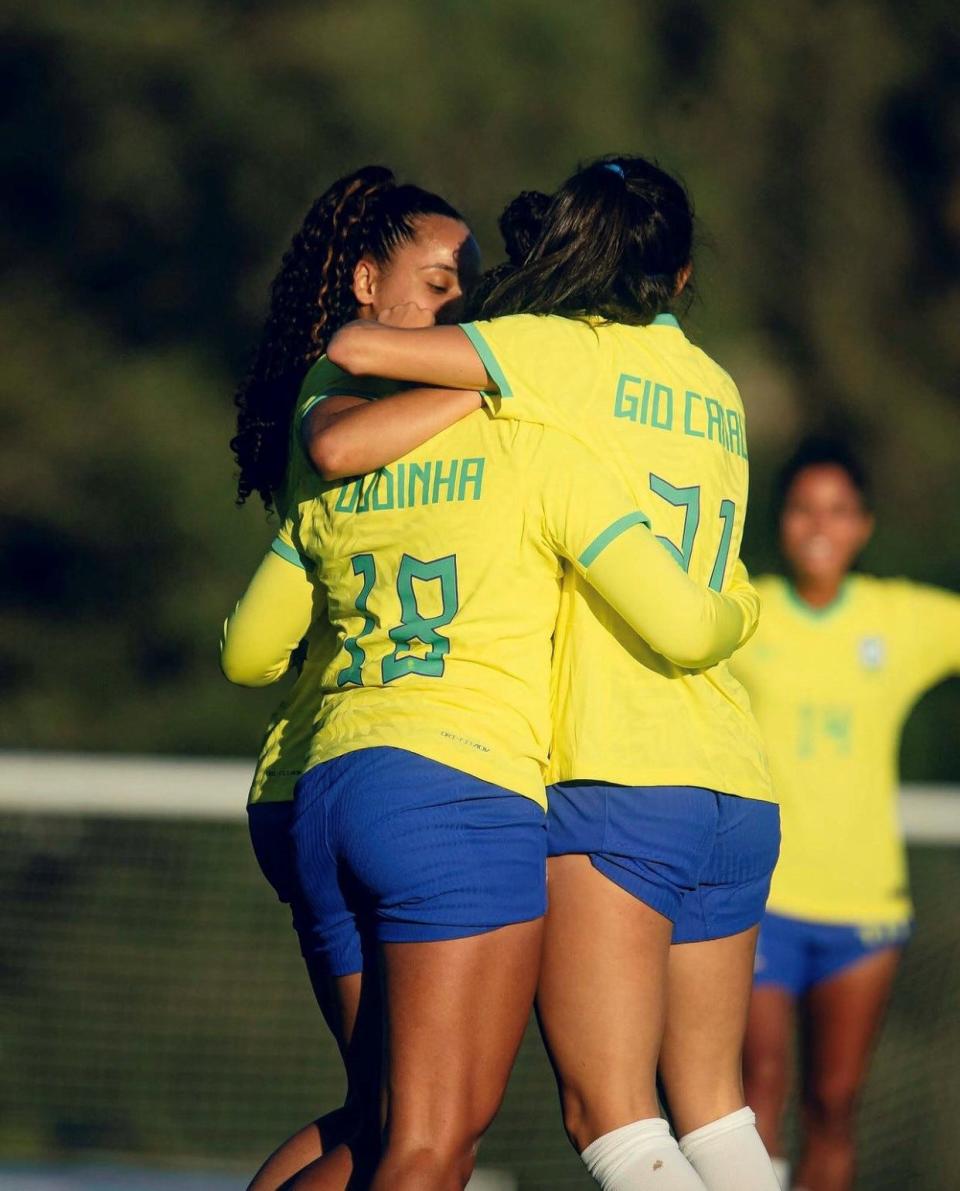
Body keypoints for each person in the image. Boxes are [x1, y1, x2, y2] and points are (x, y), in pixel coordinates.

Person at [317, 154, 781, 1190]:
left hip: (618, 776)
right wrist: (742, 606)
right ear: (685, 277)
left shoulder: (552, 352)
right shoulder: (718, 384)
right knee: (717, 1114)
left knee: (612, 1117)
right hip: (734, 780)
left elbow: (351, 344)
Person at [223, 353, 761, 1189]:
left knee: (381, 1118)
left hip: (316, 787)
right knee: (434, 1140)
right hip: (459, 794)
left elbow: (249, 654)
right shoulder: (531, 446)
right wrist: (744, 600)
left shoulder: (333, 474)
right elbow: (685, 624)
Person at [223, 163, 480, 1190]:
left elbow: (250, 650)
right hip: (377, 775)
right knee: (412, 1126)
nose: (454, 297)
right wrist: (504, 383)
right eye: (434, 277)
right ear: (365, 285)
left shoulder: (334, 407)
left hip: (297, 785)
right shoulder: (378, 408)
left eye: (465, 278)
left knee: (384, 1110)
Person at [730, 436, 960, 1191]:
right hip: (763, 901)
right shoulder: (746, 611)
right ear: (782, 518)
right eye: (803, 508)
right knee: (751, 1095)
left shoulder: (900, 618)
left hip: (863, 906)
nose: (819, 525)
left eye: (837, 510)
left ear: (863, 525)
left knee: (833, 1105)